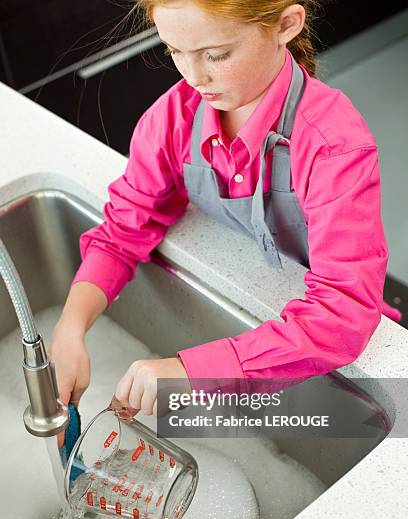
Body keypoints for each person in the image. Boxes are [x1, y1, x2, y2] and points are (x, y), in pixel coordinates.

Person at [49, 0, 401, 423]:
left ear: (286, 25)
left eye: (216, 55)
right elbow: (124, 228)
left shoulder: (334, 147)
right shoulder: (172, 119)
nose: (194, 78)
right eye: (174, 52)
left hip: (341, 349)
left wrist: (190, 372)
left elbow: (342, 313)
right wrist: (70, 326)